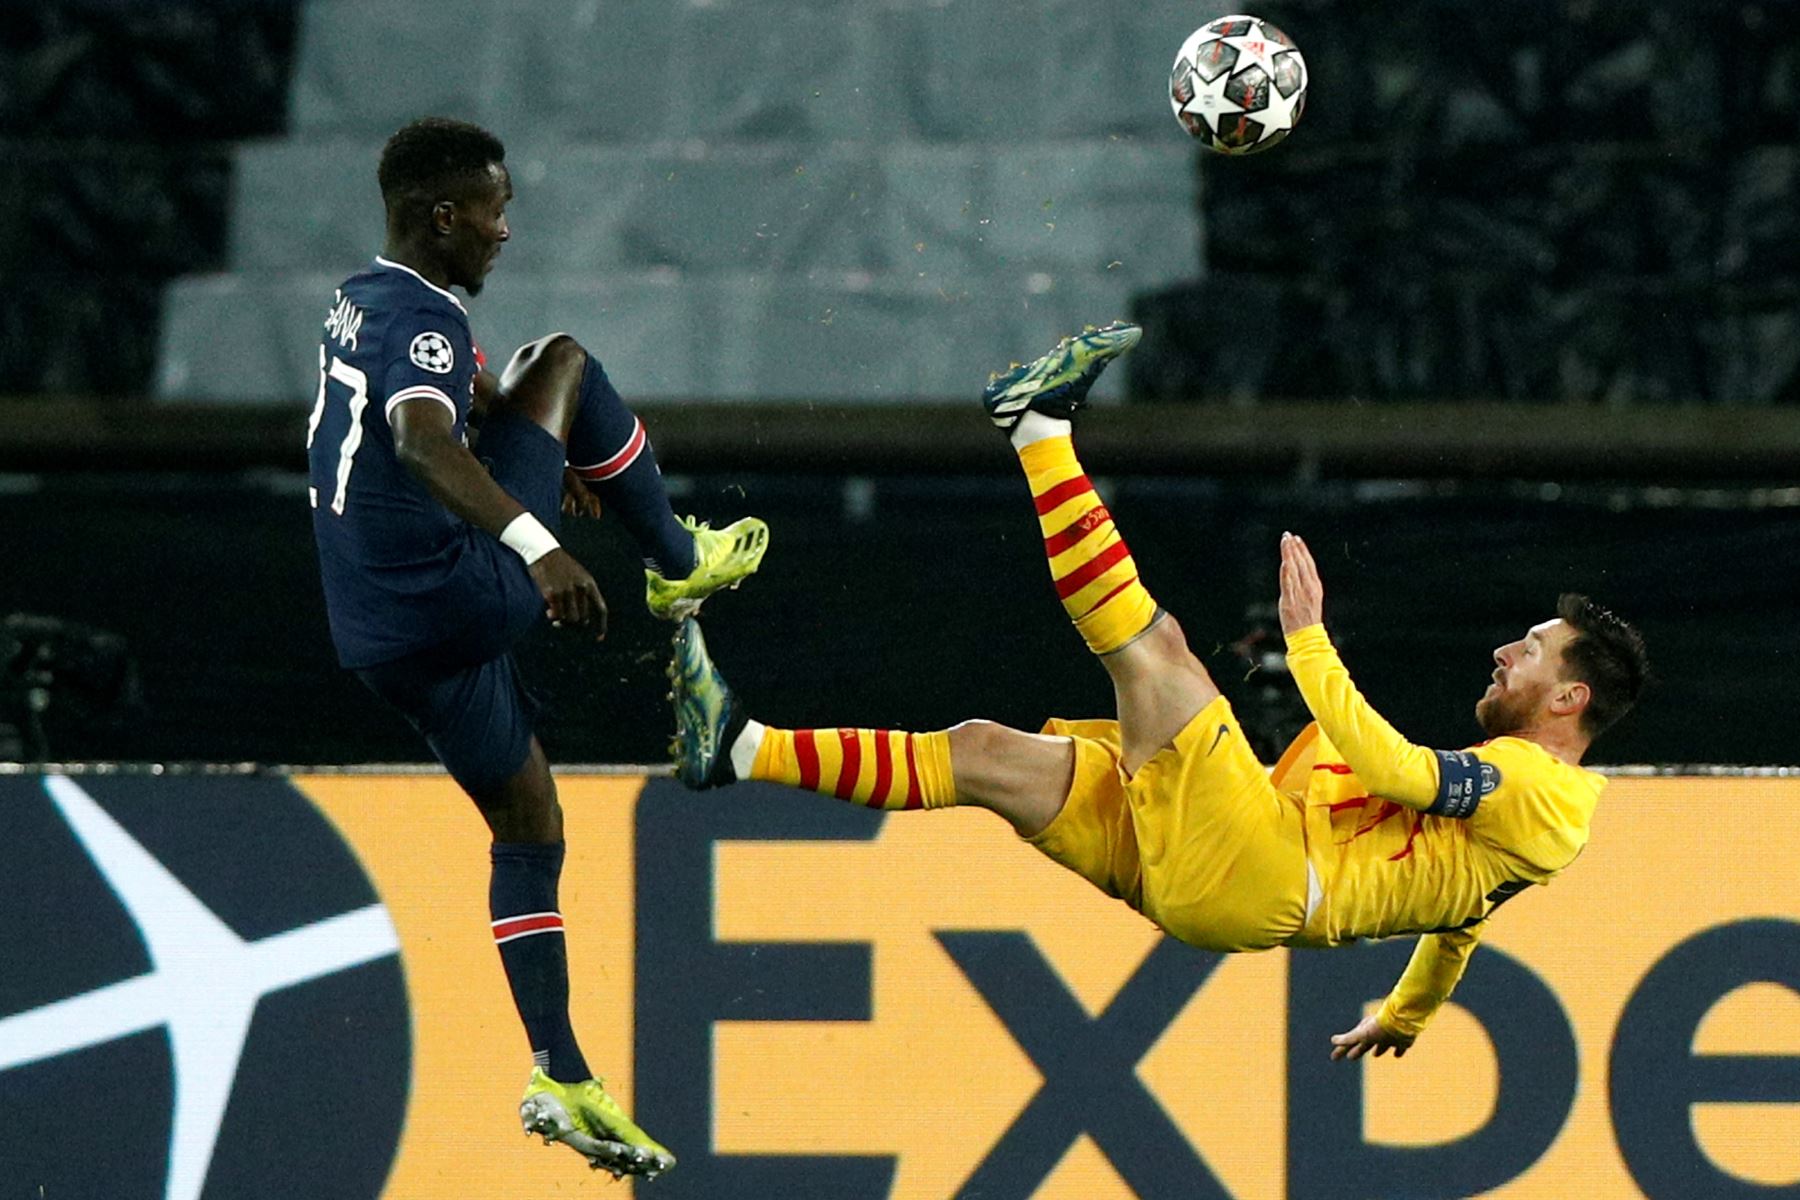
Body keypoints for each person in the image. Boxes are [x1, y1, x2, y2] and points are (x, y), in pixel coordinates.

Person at [668, 321, 1649, 1062]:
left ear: (1570, 701)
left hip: (1261, 866)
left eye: (1531, 651)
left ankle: (1038, 426)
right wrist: (1404, 1016)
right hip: (1229, 879)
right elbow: (1459, 930)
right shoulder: (1533, 825)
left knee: (1157, 652)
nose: (1503, 655)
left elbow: (1391, 765)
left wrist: (1310, 642)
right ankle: (736, 749)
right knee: (981, 752)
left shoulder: (1538, 790)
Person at [307, 117, 767, 1178]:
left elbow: (440, 397)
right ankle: (675, 557)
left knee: (528, 819)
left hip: (379, 636)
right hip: (458, 593)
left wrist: (525, 449)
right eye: (492, 210)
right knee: (561, 361)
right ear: (442, 216)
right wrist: (539, 541)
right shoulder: (420, 321)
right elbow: (421, 436)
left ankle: (558, 1067)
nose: (505, 230)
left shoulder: (362, 300)